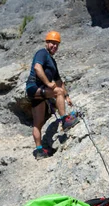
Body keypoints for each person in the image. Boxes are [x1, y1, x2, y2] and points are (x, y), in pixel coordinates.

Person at [26, 30, 79, 160]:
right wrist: (49, 84)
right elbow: (37, 68)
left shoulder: (52, 62)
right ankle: (65, 120)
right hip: (34, 87)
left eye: (57, 44)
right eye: (52, 43)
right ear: (47, 42)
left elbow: (60, 81)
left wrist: (66, 96)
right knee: (57, 91)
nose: (54, 46)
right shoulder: (42, 53)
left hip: (37, 91)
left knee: (38, 123)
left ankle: (39, 151)